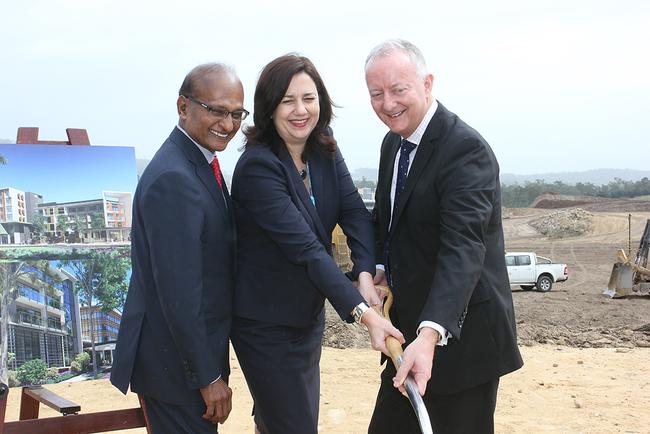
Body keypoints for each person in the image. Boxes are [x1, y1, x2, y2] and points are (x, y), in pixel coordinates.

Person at [230, 54, 404, 434]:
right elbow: (307, 250)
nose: (300, 110)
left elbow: (355, 213)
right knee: (294, 424)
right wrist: (365, 314)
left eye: (308, 98)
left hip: (305, 319)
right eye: (287, 100)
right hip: (266, 326)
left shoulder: (323, 149)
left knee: (283, 420)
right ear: (269, 107)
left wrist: (362, 272)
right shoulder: (258, 168)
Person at [364, 39, 524, 434]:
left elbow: (463, 248)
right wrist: (378, 268)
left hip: (464, 345)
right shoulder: (393, 144)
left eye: (398, 90)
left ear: (427, 84)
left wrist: (431, 333)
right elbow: (385, 219)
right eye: (376, 94)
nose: (388, 104)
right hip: (408, 342)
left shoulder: (465, 150)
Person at [110, 63, 248, 433]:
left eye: (236, 113)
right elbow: (179, 292)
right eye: (216, 110)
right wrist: (207, 377)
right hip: (177, 372)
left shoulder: (200, 163)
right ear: (183, 107)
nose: (228, 123)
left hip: (184, 364)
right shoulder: (175, 178)